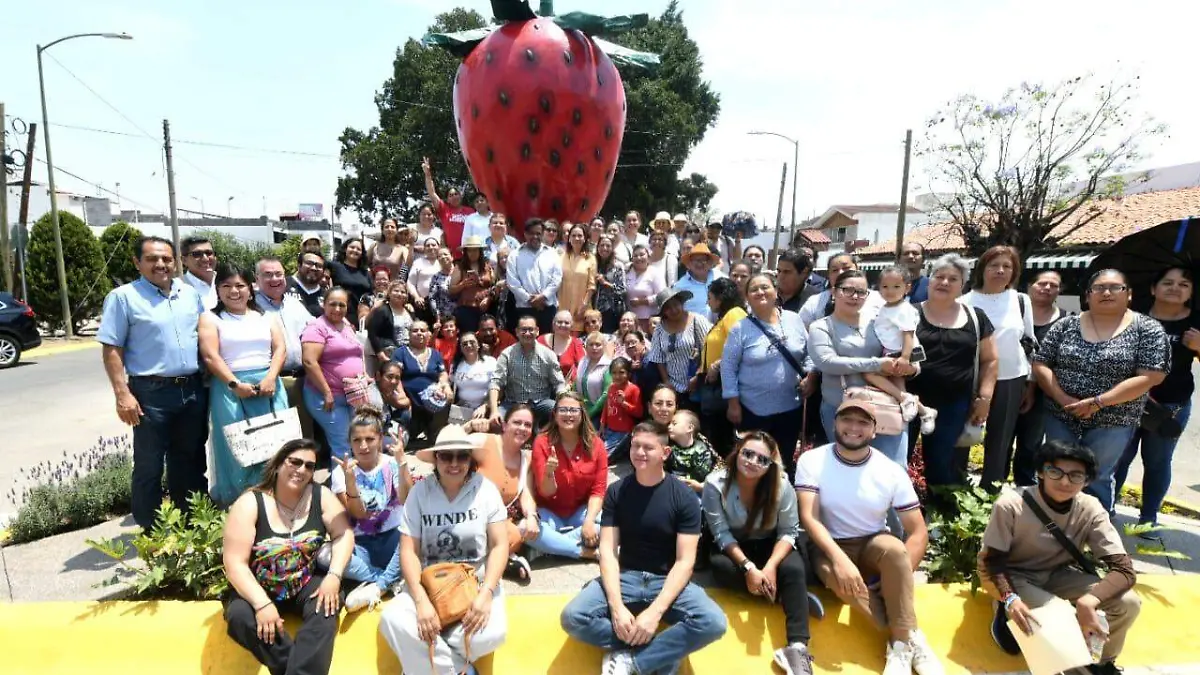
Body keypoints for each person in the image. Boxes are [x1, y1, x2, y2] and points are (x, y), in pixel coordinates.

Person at [560, 421, 727, 675]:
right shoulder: (617, 491)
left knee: (713, 622)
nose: (639, 452)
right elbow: (608, 551)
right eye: (635, 446)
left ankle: (633, 662)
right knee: (573, 617)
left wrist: (654, 613)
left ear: (665, 452)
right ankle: (659, 653)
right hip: (626, 577)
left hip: (666, 580)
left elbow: (685, 562)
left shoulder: (684, 497)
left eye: (648, 447)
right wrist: (616, 607)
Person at [797, 400, 942, 675]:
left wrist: (898, 577)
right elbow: (809, 518)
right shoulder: (812, 460)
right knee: (845, 586)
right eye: (847, 419)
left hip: (873, 543)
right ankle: (910, 635)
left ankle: (900, 646)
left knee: (895, 550)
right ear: (834, 423)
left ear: (875, 431)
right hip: (828, 546)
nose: (854, 427)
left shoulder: (890, 470)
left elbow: (918, 531)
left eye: (863, 422)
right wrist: (841, 561)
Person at [980, 440, 1141, 675]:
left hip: (1056, 573)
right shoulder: (1011, 504)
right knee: (1060, 617)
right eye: (1055, 472)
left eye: (1076, 476)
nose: (1065, 482)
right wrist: (1010, 598)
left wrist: (1089, 601)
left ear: (1087, 481)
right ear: (1040, 472)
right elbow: (992, 562)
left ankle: (1099, 664)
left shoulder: (1090, 508)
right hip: (1011, 575)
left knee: (1128, 603)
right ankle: (1005, 614)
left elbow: (1124, 570)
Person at [1032, 269, 1170, 515]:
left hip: (1113, 419)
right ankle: (1049, 525)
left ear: (1129, 294)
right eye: (1098, 288)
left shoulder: (1147, 329)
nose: (1106, 293)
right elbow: (1041, 363)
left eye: (1115, 287)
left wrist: (1098, 402)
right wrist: (1063, 398)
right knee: (1055, 471)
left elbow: (1152, 375)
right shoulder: (1067, 324)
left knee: (1096, 475)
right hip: (1061, 414)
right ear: (1088, 295)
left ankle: (1093, 530)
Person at [379, 426, 510, 675]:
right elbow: (408, 551)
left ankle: (425, 661)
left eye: (462, 456)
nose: (454, 463)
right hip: (429, 586)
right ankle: (459, 670)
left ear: (470, 460)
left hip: (475, 585)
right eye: (447, 456)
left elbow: (500, 544)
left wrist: (486, 594)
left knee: (493, 634)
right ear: (436, 459)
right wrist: (421, 601)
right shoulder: (420, 493)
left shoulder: (486, 490)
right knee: (392, 620)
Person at [98, 236, 209, 529]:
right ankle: (153, 532)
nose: (161, 264)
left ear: (176, 262)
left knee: (190, 460)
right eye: (152, 259)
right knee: (149, 465)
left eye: (166, 259)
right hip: (150, 393)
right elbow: (112, 348)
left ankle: (193, 525)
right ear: (137, 263)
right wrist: (122, 394)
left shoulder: (189, 294)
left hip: (192, 390)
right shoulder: (123, 297)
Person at [221, 439, 355, 675]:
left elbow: (343, 534)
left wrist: (334, 576)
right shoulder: (251, 503)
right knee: (240, 618)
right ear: (278, 464)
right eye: (295, 462)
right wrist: (262, 604)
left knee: (326, 608)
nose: (302, 470)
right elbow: (234, 564)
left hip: (305, 580)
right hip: (258, 585)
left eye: (309, 466)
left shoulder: (320, 496)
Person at [704, 431, 816, 675]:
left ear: (770, 465)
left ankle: (797, 648)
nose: (753, 461)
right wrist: (749, 568)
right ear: (738, 453)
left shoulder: (782, 485)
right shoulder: (715, 483)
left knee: (794, 569)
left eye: (762, 459)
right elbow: (721, 533)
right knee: (722, 568)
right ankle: (790, 596)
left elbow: (788, 531)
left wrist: (771, 566)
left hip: (770, 542)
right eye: (748, 454)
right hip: (736, 546)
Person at [906, 255, 999, 505]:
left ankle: (940, 517)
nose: (944, 282)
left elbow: (990, 360)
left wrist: (985, 398)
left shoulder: (976, 317)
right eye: (939, 276)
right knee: (898, 460)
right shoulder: (908, 314)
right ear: (929, 280)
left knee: (941, 464)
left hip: (953, 404)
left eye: (953, 279)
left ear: (962, 285)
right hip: (908, 402)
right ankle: (900, 514)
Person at [1115, 266, 1199, 527]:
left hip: (1170, 405)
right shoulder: (1132, 316)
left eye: (1184, 284)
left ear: (1191, 293)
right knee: (1118, 457)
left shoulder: (1196, 322)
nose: (1175, 288)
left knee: (1157, 462)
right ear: (1154, 288)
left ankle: (1148, 519)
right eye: (1168, 282)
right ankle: (1104, 511)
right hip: (1126, 400)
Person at [200, 263, 288, 506]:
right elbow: (210, 355)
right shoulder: (210, 318)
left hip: (268, 386)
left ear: (251, 288)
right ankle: (242, 504)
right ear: (218, 290)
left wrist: (271, 377)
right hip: (230, 389)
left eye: (240, 285)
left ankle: (277, 498)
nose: (234, 291)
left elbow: (280, 348)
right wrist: (234, 383)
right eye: (226, 286)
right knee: (239, 448)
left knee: (275, 444)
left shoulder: (267, 317)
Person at [808, 270, 913, 466]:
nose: (855, 296)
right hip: (843, 408)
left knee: (893, 468)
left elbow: (905, 350)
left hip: (885, 407)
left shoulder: (878, 321)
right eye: (847, 290)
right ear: (834, 291)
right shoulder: (821, 327)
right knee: (849, 466)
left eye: (861, 292)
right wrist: (876, 364)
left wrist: (911, 367)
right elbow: (827, 362)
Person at [962, 246, 1040, 493]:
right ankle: (955, 491)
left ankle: (990, 493)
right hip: (971, 379)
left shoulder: (1021, 301)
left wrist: (1030, 384)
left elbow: (1029, 342)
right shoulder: (964, 301)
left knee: (1000, 440)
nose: (1000, 271)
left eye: (1007, 266)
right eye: (994, 265)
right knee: (963, 436)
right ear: (982, 269)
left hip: (1011, 378)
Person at [723, 274, 809, 480]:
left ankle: (778, 496)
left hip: (790, 408)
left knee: (782, 462)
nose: (760, 292)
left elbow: (809, 354)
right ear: (747, 297)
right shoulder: (740, 328)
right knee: (754, 463)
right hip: (753, 410)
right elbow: (728, 367)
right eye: (754, 289)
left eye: (765, 287)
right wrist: (733, 403)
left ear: (776, 291)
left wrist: (811, 377)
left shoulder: (794, 319)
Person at [330, 407, 414, 612]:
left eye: (370, 439)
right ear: (349, 442)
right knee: (325, 556)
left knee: (414, 536)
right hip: (362, 546)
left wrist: (402, 463)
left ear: (381, 439)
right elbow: (357, 514)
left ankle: (378, 587)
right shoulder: (342, 471)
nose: (363, 446)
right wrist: (350, 482)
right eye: (357, 440)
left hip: (394, 540)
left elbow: (407, 499)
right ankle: (387, 578)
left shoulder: (392, 463)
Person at [529, 392, 609, 560]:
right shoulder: (542, 442)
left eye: (573, 410)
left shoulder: (597, 445)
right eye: (563, 410)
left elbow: (598, 491)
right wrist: (549, 473)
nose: (568, 414)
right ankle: (582, 551)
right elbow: (546, 492)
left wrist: (588, 522)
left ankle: (554, 544)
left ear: (582, 413)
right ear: (555, 414)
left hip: (581, 512)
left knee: (610, 524)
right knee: (527, 530)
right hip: (549, 513)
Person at [864, 265, 938, 434]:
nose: (890, 291)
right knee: (899, 391)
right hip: (892, 354)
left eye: (896, 286)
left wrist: (905, 357)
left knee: (869, 372)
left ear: (907, 288)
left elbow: (908, 335)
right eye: (885, 286)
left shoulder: (905, 309)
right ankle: (925, 412)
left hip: (904, 355)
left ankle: (911, 403)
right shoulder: (885, 307)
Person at [1012, 270, 1069, 487]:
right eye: (1042, 283)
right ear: (1029, 287)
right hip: (1009, 386)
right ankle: (993, 487)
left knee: (1031, 444)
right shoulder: (1013, 315)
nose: (1047, 288)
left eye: (1053, 285)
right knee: (1000, 442)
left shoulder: (1067, 320)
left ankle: (1025, 488)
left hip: (1046, 392)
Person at [301, 289, 370, 463]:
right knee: (342, 444)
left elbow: (356, 354)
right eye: (332, 304)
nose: (337, 309)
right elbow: (309, 361)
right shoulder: (316, 327)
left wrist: (364, 375)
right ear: (323, 305)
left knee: (356, 437)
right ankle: (343, 479)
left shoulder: (346, 325)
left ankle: (356, 477)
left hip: (353, 394)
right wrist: (327, 392)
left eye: (342, 305)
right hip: (327, 397)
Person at [255, 256, 317, 439]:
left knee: (304, 436)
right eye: (268, 275)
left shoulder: (294, 303)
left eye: (278, 274)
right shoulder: (251, 306)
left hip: (302, 380)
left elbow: (314, 328)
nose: (274, 279)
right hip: (271, 381)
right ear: (257, 278)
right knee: (277, 437)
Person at [488, 314, 569, 427]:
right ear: (517, 332)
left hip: (541, 403)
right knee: (496, 422)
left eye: (531, 329)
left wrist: (563, 400)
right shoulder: (507, 354)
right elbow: (495, 383)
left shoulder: (548, 354)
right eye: (523, 330)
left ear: (537, 331)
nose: (527, 333)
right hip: (513, 403)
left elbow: (559, 383)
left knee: (560, 412)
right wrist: (494, 411)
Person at [700, 278, 747, 448]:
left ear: (720, 298)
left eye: (710, 297)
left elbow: (742, 345)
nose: (708, 302)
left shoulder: (734, 314)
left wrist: (718, 365)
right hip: (713, 385)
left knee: (724, 437)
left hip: (724, 384)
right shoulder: (724, 317)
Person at [646, 288, 713, 407]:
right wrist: (666, 381)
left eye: (675, 305)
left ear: (682, 303)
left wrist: (697, 377)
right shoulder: (660, 328)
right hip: (674, 387)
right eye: (668, 308)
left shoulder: (697, 320)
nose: (673, 310)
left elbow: (709, 350)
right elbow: (658, 358)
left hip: (698, 385)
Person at [392, 320, 452, 451]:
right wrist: (402, 396)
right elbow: (395, 376)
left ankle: (433, 436)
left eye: (423, 330)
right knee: (405, 435)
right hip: (410, 403)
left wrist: (444, 385)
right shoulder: (401, 353)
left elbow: (442, 373)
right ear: (409, 334)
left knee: (447, 398)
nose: (419, 333)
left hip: (432, 401)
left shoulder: (435, 354)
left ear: (429, 334)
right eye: (415, 331)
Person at [798, 253, 886, 329]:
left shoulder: (879, 299)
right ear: (828, 275)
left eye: (846, 268)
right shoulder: (815, 302)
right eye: (835, 270)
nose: (840, 273)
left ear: (857, 269)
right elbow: (801, 329)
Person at [508, 218, 563, 334]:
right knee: (525, 342)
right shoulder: (515, 255)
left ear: (543, 234)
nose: (535, 236)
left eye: (538, 233)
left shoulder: (552, 254)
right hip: (524, 308)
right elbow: (512, 282)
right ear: (525, 234)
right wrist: (530, 299)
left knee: (547, 341)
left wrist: (543, 297)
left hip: (547, 308)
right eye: (531, 233)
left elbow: (557, 279)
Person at [421, 157, 472, 256]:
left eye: (456, 194)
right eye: (450, 195)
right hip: (452, 256)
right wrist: (427, 174)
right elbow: (432, 193)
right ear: (447, 199)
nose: (454, 197)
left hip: (470, 254)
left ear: (460, 196)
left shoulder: (471, 211)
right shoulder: (444, 209)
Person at [665, 409, 717, 495]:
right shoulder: (670, 449)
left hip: (696, 490)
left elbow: (703, 472)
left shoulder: (702, 450)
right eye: (669, 424)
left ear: (689, 428)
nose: (669, 427)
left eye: (674, 424)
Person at [449, 236, 494, 333]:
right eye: (470, 250)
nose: (472, 253)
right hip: (467, 310)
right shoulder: (460, 267)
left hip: (487, 308)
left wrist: (489, 299)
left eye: (475, 250)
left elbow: (493, 286)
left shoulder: (487, 266)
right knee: (469, 335)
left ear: (480, 251)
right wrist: (463, 285)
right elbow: (451, 290)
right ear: (466, 252)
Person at [560, 222, 598, 331]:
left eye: (580, 235)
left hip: (580, 308)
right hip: (562, 306)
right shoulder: (561, 256)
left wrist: (583, 306)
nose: (576, 238)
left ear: (585, 238)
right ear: (569, 238)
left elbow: (591, 286)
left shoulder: (590, 258)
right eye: (573, 235)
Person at [600, 357, 642, 455]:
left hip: (623, 432)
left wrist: (624, 403)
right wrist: (602, 424)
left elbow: (639, 412)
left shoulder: (633, 389)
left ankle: (625, 449)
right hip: (609, 429)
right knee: (594, 448)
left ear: (629, 374)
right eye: (614, 373)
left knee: (603, 455)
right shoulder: (611, 387)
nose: (617, 376)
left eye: (621, 372)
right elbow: (606, 407)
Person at [673, 243, 725, 321]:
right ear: (689, 263)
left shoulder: (721, 278)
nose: (699, 263)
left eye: (704, 260)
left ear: (710, 263)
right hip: (693, 327)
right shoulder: (679, 287)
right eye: (696, 260)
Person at [365, 281, 414, 362]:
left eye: (403, 292)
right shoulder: (382, 310)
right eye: (396, 291)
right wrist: (379, 352)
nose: (399, 294)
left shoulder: (410, 311)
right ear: (389, 293)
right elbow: (372, 332)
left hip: (410, 353)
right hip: (390, 353)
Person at [453, 331, 498, 418]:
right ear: (461, 348)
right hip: (462, 410)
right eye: (464, 344)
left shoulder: (490, 362)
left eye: (472, 342)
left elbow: (499, 387)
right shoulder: (456, 365)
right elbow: (451, 388)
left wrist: (485, 405)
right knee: (451, 426)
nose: (469, 345)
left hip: (485, 409)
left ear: (478, 345)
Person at [371, 359, 412, 451]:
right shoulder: (374, 399)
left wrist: (394, 402)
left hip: (384, 429)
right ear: (378, 376)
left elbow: (407, 402)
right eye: (389, 377)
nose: (394, 381)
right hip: (371, 437)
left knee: (405, 414)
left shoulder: (388, 391)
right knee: (399, 441)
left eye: (397, 378)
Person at [329, 238, 372, 320]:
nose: (355, 250)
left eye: (358, 249)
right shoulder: (334, 266)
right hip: (340, 314)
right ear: (345, 249)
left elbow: (370, 293)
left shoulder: (365, 272)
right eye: (352, 247)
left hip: (360, 316)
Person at [576, 331, 613, 427]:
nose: (594, 348)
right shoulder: (582, 362)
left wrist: (590, 413)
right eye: (591, 344)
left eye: (598, 344)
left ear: (604, 346)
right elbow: (576, 383)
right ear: (586, 347)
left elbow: (606, 394)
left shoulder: (608, 366)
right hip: (580, 410)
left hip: (599, 414)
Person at [626, 244, 666, 332]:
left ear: (648, 257)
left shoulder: (655, 272)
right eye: (635, 256)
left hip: (649, 320)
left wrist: (642, 301)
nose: (638, 258)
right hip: (630, 320)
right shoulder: (627, 271)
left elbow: (662, 295)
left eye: (642, 255)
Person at [594, 235, 628, 333]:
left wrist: (605, 283)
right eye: (602, 245)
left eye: (608, 246)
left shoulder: (617, 266)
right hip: (595, 311)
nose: (605, 248)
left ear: (612, 248)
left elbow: (622, 290)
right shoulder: (594, 264)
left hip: (612, 311)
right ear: (597, 247)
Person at [539, 309, 586, 379]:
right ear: (553, 324)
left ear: (571, 326)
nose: (563, 325)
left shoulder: (576, 343)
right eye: (559, 322)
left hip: (568, 384)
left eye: (566, 323)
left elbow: (583, 367)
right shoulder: (541, 340)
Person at [407, 237, 442, 324]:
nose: (431, 247)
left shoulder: (443, 261)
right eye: (428, 245)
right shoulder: (418, 262)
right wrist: (416, 297)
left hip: (441, 304)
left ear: (439, 247)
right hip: (422, 303)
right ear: (424, 249)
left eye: (433, 245)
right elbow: (410, 283)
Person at [180, 235, 219, 310]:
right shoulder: (175, 288)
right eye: (197, 254)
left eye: (209, 253)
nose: (205, 259)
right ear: (184, 260)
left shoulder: (227, 280)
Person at [287, 251, 327, 318]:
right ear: (299, 265)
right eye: (309, 263)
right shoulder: (283, 285)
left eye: (319, 266)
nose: (314, 268)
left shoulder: (327, 297)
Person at [427, 246, 457, 328]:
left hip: (461, 313)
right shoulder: (436, 277)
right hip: (445, 318)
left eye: (445, 254)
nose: (443, 257)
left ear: (452, 257)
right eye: (439, 256)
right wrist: (438, 317)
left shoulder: (460, 272)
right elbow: (432, 298)